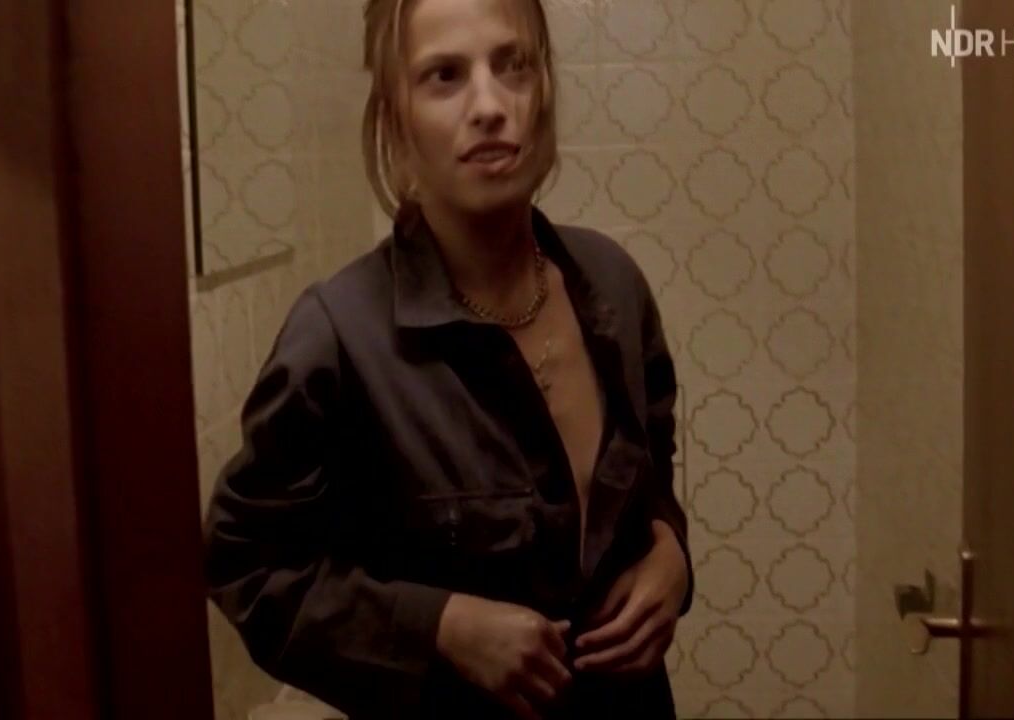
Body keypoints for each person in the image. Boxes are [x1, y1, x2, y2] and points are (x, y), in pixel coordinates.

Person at [202, 0, 694, 717]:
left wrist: (670, 553)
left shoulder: (612, 285)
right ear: (395, 118)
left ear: (543, 88)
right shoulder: (339, 338)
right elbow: (246, 564)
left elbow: (650, 474)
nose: (490, 106)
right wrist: (437, 627)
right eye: (444, 76)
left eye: (512, 65)